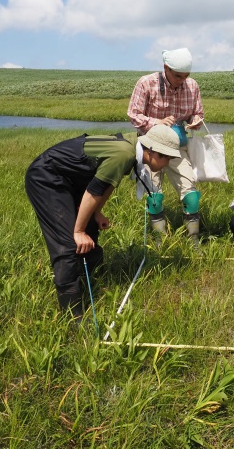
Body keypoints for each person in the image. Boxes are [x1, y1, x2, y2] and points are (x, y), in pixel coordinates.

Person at [25, 125, 181, 318]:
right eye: (166, 157)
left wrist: (96, 213)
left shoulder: (133, 146)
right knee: (68, 243)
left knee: (91, 228)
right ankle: (72, 316)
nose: (167, 163)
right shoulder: (124, 154)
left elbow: (107, 183)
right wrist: (78, 231)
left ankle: (88, 279)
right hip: (47, 177)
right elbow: (93, 191)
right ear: (151, 150)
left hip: (69, 180)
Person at [127, 48, 205, 244]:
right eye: (178, 76)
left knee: (191, 194)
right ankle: (158, 241)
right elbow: (133, 114)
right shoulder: (146, 83)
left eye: (186, 76)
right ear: (166, 68)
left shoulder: (192, 86)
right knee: (154, 195)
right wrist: (157, 123)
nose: (182, 80)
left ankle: (193, 241)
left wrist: (195, 121)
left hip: (178, 146)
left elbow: (197, 113)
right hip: (151, 147)